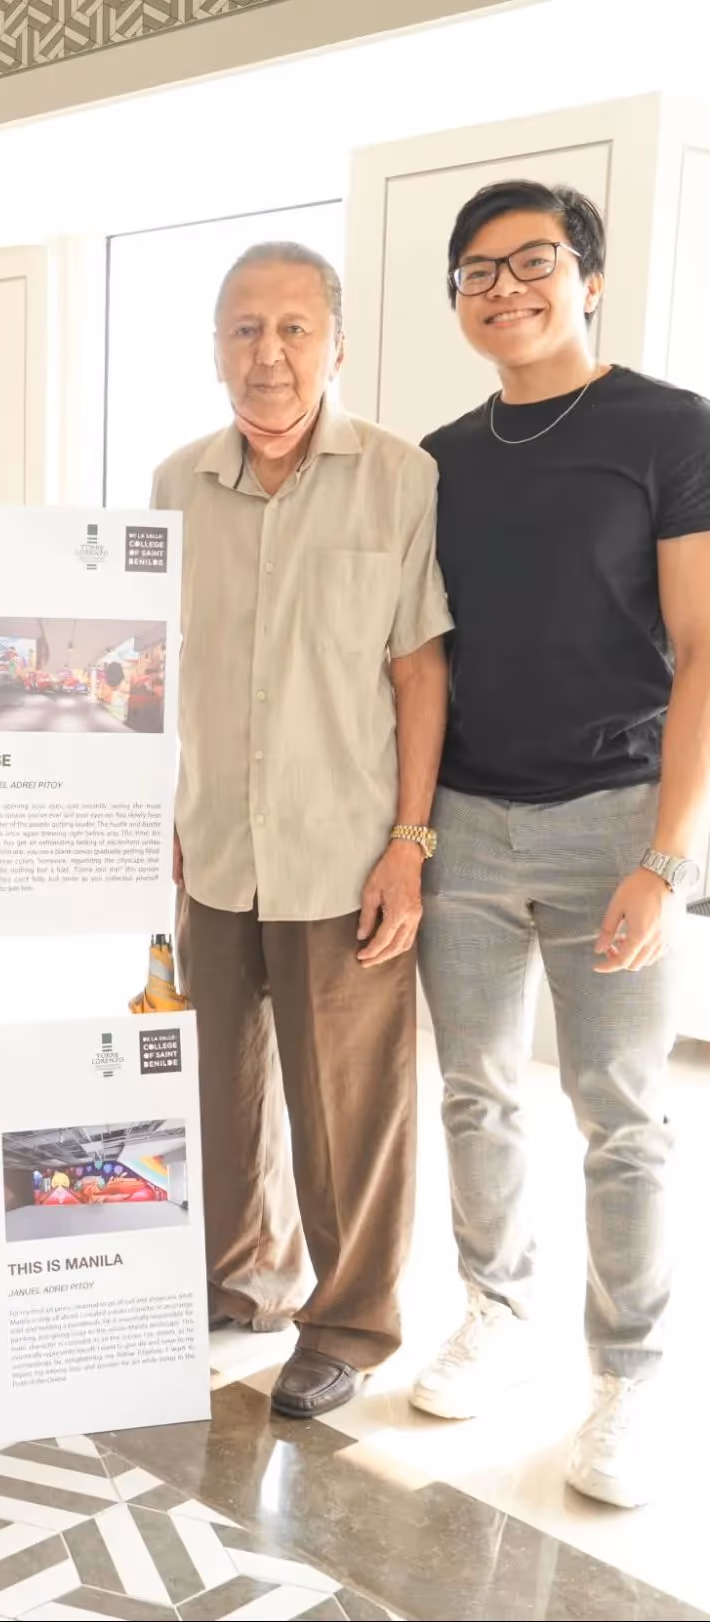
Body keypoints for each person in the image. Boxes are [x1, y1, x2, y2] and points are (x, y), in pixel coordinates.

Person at [410, 182, 710, 1508]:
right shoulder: (436, 456)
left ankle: (629, 1377)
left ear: (584, 276)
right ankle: (494, 1310)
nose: (503, 288)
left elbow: (701, 648)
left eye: (530, 262)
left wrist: (664, 856)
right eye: (475, 271)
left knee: (621, 1116)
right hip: (463, 823)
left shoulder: (668, 430)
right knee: (473, 1092)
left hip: (611, 821)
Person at [155, 242, 452, 1420]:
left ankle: (351, 1324)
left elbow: (419, 670)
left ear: (334, 344)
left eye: (290, 329)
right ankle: (245, 1277)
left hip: (344, 852)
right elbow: (151, 668)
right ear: (216, 345)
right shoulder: (174, 483)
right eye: (242, 329)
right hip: (216, 844)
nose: (265, 354)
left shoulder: (397, 477)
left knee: (347, 1113)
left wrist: (407, 842)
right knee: (218, 1094)